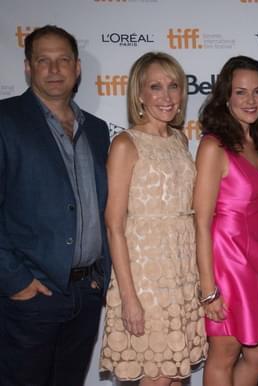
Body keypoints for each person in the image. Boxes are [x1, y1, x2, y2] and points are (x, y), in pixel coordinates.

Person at [0, 25, 111, 386]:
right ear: (28, 68)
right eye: (43, 61)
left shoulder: (95, 128)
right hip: (32, 293)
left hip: (86, 292)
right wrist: (16, 280)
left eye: (62, 60)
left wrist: (101, 278)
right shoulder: (6, 120)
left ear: (77, 67)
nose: (53, 69)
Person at [99, 52, 207, 385]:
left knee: (175, 377)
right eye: (155, 87)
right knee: (158, 378)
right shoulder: (125, 144)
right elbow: (114, 226)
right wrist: (130, 298)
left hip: (181, 273)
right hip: (146, 281)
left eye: (173, 86)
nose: (166, 96)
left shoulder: (179, 140)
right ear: (139, 95)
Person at [194, 55, 258, 386]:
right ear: (225, 96)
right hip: (227, 259)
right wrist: (207, 288)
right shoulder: (213, 145)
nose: (250, 100)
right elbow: (201, 220)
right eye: (241, 92)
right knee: (224, 354)